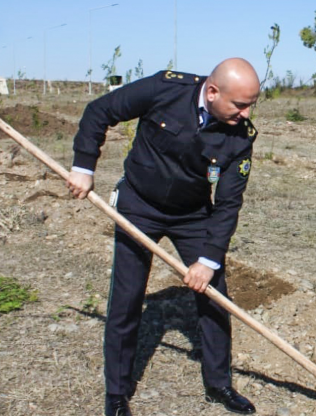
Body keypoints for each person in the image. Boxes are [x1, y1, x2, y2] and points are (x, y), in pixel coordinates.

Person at [67, 58, 260, 416]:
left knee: (214, 295)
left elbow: (229, 204)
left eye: (251, 104)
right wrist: (83, 166)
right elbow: (100, 111)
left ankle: (219, 383)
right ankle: (117, 393)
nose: (246, 113)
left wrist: (208, 260)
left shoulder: (240, 136)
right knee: (127, 298)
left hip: (192, 214)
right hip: (139, 205)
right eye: (239, 104)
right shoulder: (165, 89)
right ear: (212, 92)